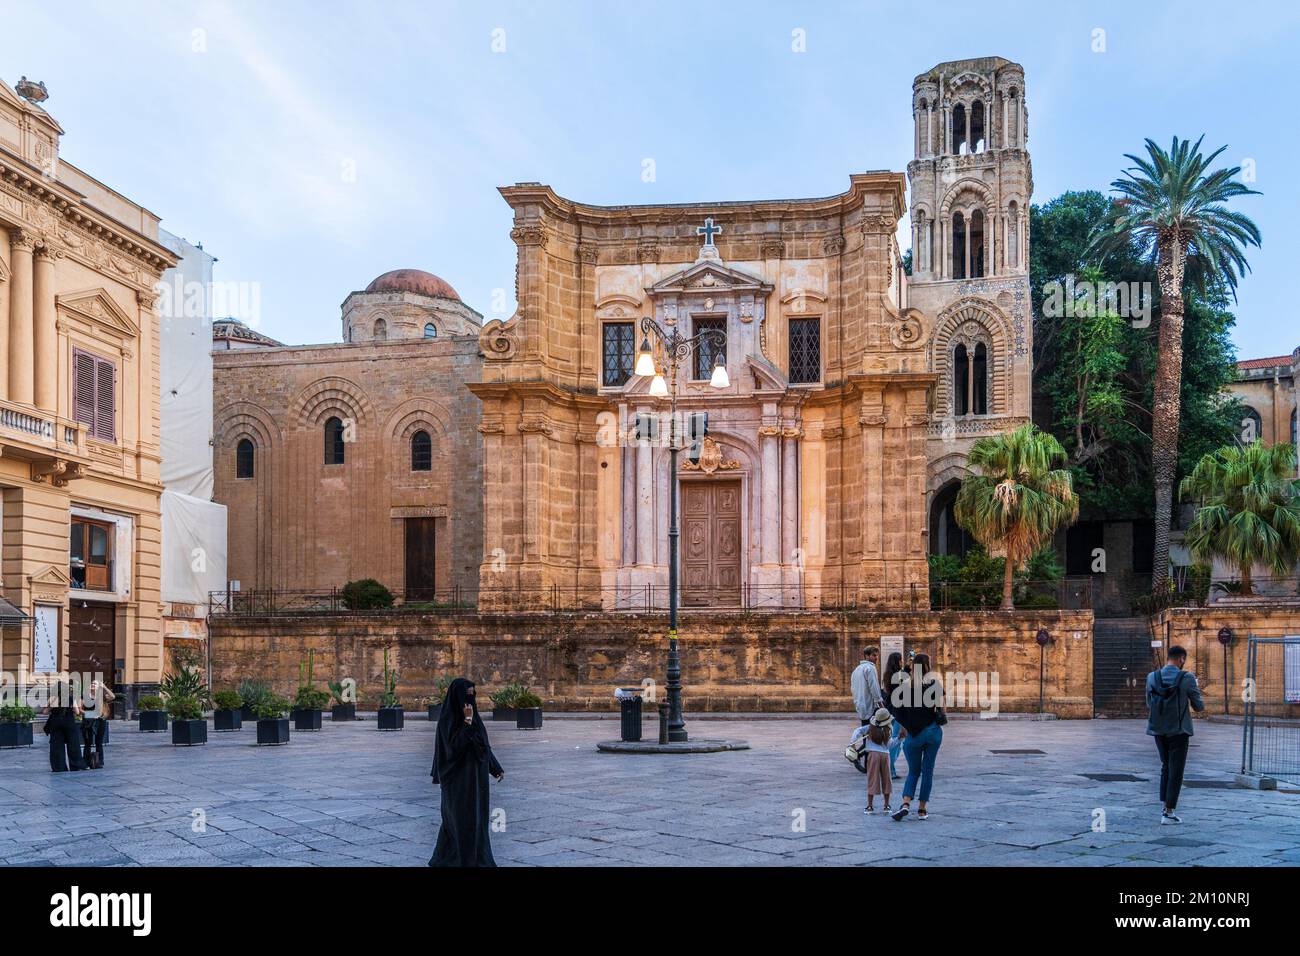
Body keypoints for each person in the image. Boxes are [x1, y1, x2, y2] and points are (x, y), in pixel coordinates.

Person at [429, 678, 505, 866]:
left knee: (477, 821)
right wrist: (467, 722)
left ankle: (479, 859)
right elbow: (453, 748)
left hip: (477, 781)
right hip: (457, 781)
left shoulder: (474, 718)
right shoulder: (449, 720)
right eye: (466, 694)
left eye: (473, 694)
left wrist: (494, 768)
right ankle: (451, 859)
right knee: (458, 822)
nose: (469, 699)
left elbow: (483, 746)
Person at [1146, 645, 1205, 825]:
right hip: (1179, 730)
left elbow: (1149, 704)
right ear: (1181, 659)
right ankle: (1169, 812)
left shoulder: (1152, 677)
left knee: (1166, 766)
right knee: (1176, 770)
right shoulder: (1186, 678)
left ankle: (1165, 806)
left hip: (1158, 729)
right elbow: (1199, 706)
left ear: (1168, 657)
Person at [891, 653, 945, 822]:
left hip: (913, 735)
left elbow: (897, 712)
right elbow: (942, 708)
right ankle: (922, 809)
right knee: (928, 771)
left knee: (913, 771)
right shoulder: (933, 683)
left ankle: (905, 803)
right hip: (932, 732)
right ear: (928, 666)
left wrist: (903, 728)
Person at [43, 680, 86, 773]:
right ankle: (76, 765)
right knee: (73, 744)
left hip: (55, 722)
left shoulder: (52, 698)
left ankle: (59, 767)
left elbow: (45, 712)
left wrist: (52, 706)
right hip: (69, 722)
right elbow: (77, 712)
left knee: (56, 745)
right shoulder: (71, 697)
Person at [861, 707, 893, 815]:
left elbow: (857, 731)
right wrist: (900, 739)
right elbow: (890, 745)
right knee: (887, 779)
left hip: (873, 755)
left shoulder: (870, 727)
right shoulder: (889, 729)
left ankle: (870, 806)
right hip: (885, 755)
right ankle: (886, 805)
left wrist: (852, 742)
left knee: (872, 779)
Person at [881, 652, 907, 779]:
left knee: (896, 740)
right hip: (898, 711)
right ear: (897, 661)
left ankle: (890, 769)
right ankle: (890, 770)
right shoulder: (897, 675)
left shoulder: (888, 674)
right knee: (898, 740)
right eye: (901, 660)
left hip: (891, 709)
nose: (902, 662)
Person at [81, 679, 115, 769]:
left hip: (100, 721)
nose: (93, 685)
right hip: (88, 721)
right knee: (88, 742)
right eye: (92, 683)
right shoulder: (85, 696)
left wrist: (104, 687)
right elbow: (80, 710)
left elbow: (112, 697)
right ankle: (86, 762)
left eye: (95, 684)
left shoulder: (102, 696)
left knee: (99, 742)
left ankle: (99, 762)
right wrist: (91, 714)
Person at [850, 646, 884, 726]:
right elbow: (874, 688)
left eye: (877, 655)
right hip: (870, 705)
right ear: (867, 656)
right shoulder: (870, 668)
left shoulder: (857, 669)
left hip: (860, 704)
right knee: (873, 732)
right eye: (874, 655)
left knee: (865, 729)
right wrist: (881, 704)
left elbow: (853, 688)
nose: (876, 658)